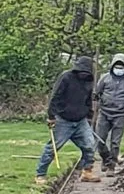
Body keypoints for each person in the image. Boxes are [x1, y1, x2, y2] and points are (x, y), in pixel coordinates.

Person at [35, 56, 101, 185]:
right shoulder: (66, 77)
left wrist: (89, 116)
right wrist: (51, 116)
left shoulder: (89, 80)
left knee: (90, 145)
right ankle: (40, 174)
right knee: (53, 148)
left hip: (81, 120)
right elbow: (55, 96)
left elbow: (88, 100)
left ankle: (87, 171)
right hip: (63, 120)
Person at [94, 53, 124, 176]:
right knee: (100, 140)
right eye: (117, 66)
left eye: (121, 67)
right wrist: (93, 102)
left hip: (120, 114)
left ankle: (112, 165)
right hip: (104, 113)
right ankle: (105, 158)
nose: (119, 69)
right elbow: (97, 93)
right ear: (112, 66)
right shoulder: (105, 78)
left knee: (115, 142)